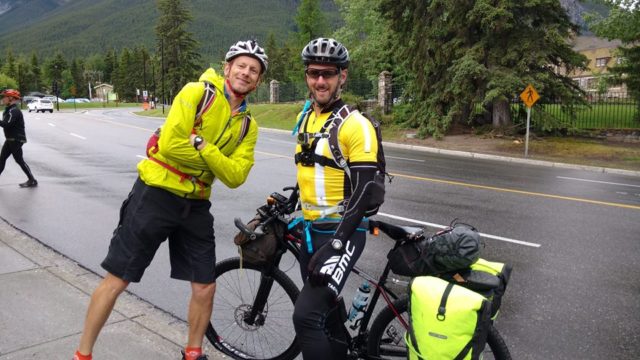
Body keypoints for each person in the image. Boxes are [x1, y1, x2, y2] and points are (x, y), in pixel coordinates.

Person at [72, 40, 267, 360]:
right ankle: (83, 354)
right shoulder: (196, 93)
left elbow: (236, 177)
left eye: (254, 70)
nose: (246, 73)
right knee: (117, 280)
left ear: (258, 82)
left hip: (197, 205)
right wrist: (215, 161)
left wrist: (203, 145)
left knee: (206, 286)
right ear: (227, 67)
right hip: (156, 194)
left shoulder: (248, 126)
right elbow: (170, 146)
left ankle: (193, 352)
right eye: (241, 65)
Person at [291, 38, 382, 360]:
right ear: (306, 75)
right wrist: (290, 202)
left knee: (305, 317)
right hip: (311, 233)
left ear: (342, 76)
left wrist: (338, 243)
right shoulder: (307, 118)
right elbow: (313, 172)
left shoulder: (354, 125)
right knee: (326, 315)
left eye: (328, 74)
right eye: (314, 73)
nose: (320, 81)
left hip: (342, 233)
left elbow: (364, 191)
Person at [0, 89, 38, 188]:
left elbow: (7, 125)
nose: (2, 99)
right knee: (2, 159)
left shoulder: (14, 111)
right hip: (10, 139)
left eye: (4, 97)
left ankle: (32, 180)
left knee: (19, 160)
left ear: (11, 98)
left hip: (16, 139)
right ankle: (32, 180)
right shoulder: (9, 110)